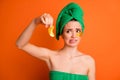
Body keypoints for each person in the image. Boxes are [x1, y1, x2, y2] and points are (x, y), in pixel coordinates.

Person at [16, 2, 95, 80]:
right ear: (62, 34)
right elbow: (20, 44)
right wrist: (35, 21)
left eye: (77, 31)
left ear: (81, 33)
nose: (74, 35)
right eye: (68, 31)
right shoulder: (51, 56)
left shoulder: (89, 61)